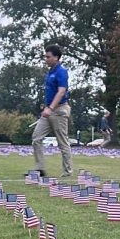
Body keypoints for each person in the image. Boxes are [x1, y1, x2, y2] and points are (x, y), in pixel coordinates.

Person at [30, 43, 72, 177]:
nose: (46, 59)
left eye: (48, 57)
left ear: (56, 57)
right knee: (36, 138)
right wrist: (47, 108)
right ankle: (40, 168)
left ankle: (67, 171)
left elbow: (61, 91)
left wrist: (51, 108)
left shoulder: (61, 72)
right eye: (45, 56)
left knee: (62, 142)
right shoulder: (50, 72)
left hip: (59, 110)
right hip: (49, 110)